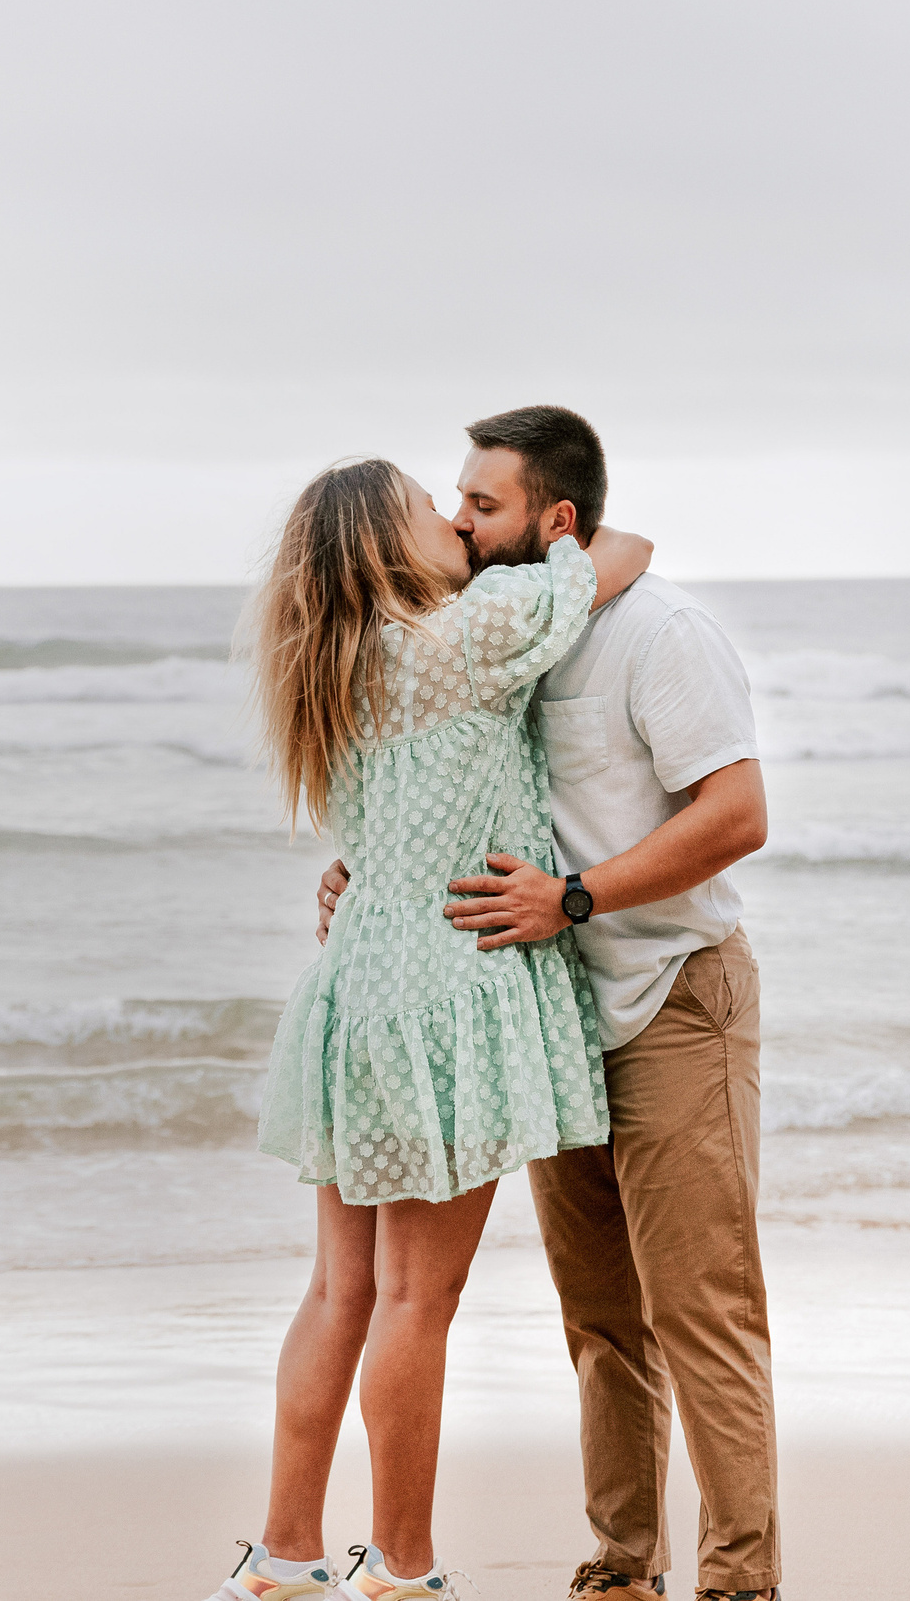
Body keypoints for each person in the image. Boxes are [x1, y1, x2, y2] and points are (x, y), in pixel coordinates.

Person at [316, 408, 778, 1601]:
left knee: (700, 1311)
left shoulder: (657, 635)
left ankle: (740, 1581)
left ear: (553, 523)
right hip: (552, 1014)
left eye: (484, 505)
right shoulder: (484, 631)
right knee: (602, 1323)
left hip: (674, 994)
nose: (460, 522)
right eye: (456, 502)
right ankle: (622, 1568)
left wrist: (573, 896)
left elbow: (737, 816)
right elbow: (456, 788)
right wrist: (372, 878)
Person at [220, 455, 655, 1601]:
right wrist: (545, 542)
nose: (453, 520)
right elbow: (625, 556)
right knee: (420, 1298)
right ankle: (402, 1569)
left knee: (339, 1291)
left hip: (355, 986)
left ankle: (284, 1552)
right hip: (438, 994)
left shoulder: (337, 661)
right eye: (432, 507)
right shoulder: (466, 635)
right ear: (382, 546)